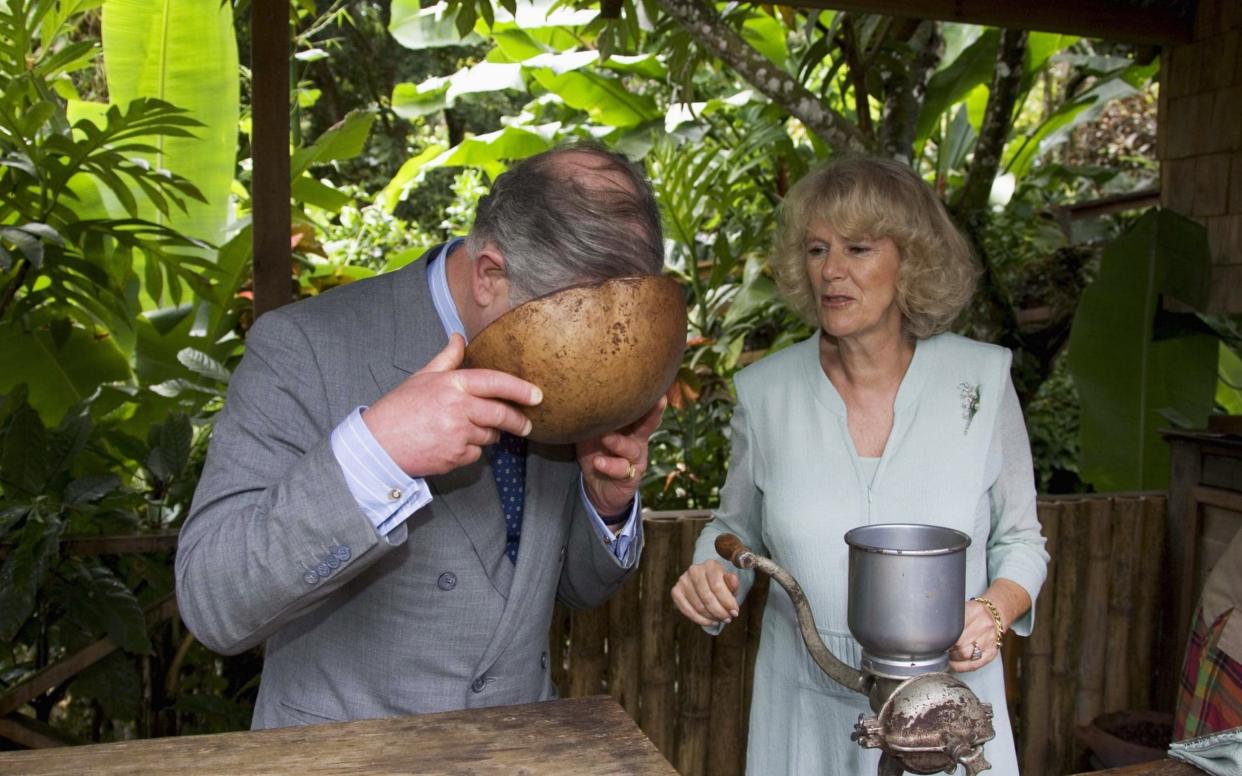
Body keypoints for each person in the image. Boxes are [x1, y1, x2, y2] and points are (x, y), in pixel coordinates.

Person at [176, 144, 665, 729]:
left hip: (516, 754)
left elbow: (569, 591)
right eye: (571, 324)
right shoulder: (303, 345)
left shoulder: (585, 360)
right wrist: (375, 454)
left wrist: (605, 508)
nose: (593, 350)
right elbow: (213, 604)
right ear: (490, 274)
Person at [670, 156, 1049, 774]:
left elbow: (1021, 539)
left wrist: (994, 612)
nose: (832, 271)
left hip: (946, 717)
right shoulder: (765, 392)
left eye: (859, 248)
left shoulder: (980, 380)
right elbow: (732, 530)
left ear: (912, 261)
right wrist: (710, 573)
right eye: (818, 250)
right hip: (805, 714)